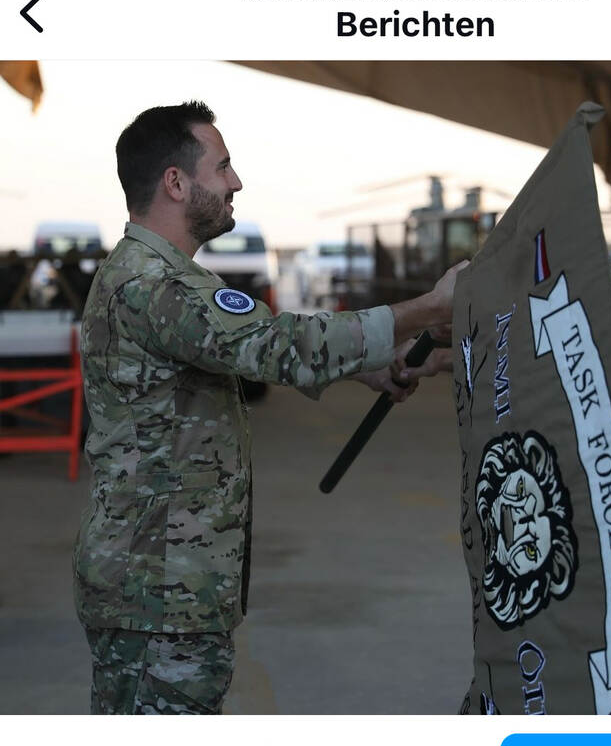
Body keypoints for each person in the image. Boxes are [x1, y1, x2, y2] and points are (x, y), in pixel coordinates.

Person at [74, 100, 463, 715]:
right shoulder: (154, 285)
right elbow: (278, 346)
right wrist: (428, 308)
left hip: (166, 584)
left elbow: (234, 354)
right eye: (222, 166)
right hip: (157, 590)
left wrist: (365, 365)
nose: (236, 182)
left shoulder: (157, 277)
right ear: (176, 182)